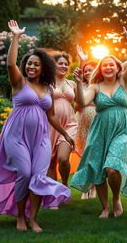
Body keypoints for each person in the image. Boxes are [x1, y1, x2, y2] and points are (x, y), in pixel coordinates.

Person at [0, 20, 74, 232]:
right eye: (29, 64)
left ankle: (33, 218)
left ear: (43, 68)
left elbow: (51, 117)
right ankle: (20, 216)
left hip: (40, 135)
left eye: (36, 64)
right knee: (24, 172)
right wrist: (15, 37)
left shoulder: (48, 88)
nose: (31, 67)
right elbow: (10, 64)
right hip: (16, 135)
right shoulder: (19, 82)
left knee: (38, 176)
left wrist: (65, 134)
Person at [70, 19, 127, 218]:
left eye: (112, 65)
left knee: (111, 168)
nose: (108, 67)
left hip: (121, 130)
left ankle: (115, 198)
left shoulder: (124, 82)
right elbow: (82, 103)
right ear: (101, 68)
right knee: (98, 168)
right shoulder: (94, 87)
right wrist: (77, 84)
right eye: (105, 65)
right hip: (99, 129)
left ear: (118, 68)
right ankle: (105, 207)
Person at [47, 53, 78, 187]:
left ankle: (64, 185)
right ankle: (54, 194)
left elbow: (81, 102)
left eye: (66, 64)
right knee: (50, 161)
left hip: (69, 125)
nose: (64, 66)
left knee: (63, 159)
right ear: (54, 65)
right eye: (61, 63)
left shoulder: (71, 83)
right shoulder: (46, 83)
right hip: (49, 124)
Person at [75, 45, 98, 199]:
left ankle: (94, 187)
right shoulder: (81, 86)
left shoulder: (99, 86)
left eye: (91, 69)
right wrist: (81, 61)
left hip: (96, 123)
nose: (88, 72)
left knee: (94, 154)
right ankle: (86, 188)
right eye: (86, 70)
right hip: (82, 123)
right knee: (83, 155)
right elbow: (77, 105)